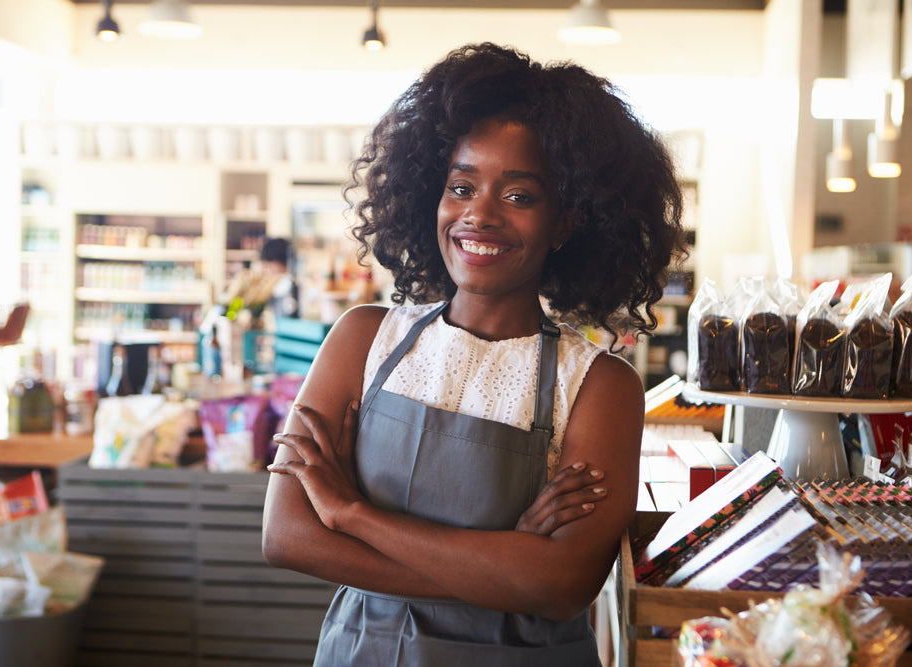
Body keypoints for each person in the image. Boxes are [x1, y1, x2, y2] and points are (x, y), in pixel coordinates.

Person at [262, 42, 685, 666]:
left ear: (566, 222)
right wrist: (503, 569)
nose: (478, 215)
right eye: (461, 186)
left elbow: (563, 584)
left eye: (519, 196)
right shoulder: (362, 338)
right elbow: (288, 536)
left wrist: (352, 513)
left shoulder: (599, 384)